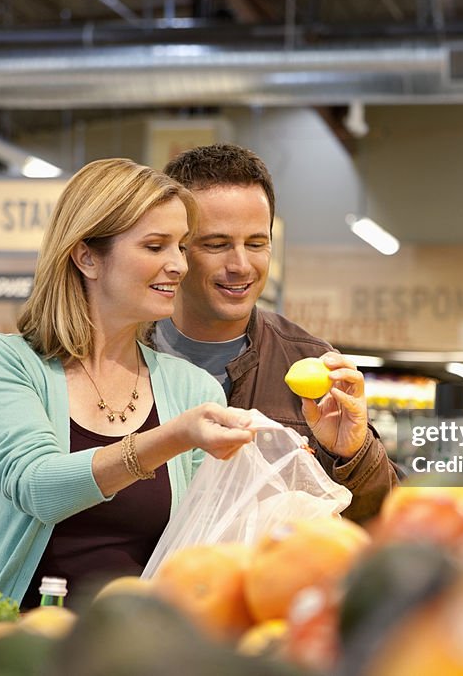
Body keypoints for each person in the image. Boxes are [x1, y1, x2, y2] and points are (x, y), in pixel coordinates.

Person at [0, 158, 254, 607]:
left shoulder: (192, 390)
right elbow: (38, 488)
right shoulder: (0, 362)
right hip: (14, 647)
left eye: (181, 246)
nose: (178, 265)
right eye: (156, 247)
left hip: (134, 654)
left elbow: (197, 548)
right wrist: (172, 437)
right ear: (87, 256)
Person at [157, 143, 397, 523]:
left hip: (265, 579)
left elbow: (382, 524)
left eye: (256, 244)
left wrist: (355, 453)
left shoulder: (311, 365)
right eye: (217, 245)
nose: (240, 265)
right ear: (177, 248)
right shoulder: (120, 355)